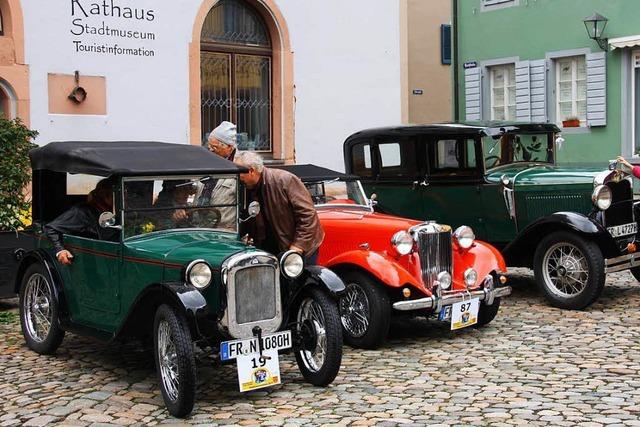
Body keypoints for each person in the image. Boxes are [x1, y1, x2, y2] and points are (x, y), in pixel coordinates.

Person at [234, 151, 324, 263]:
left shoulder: (285, 180)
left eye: (239, 174)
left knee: (300, 278)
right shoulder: (245, 188)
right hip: (269, 246)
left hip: (298, 245)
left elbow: (308, 216)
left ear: (251, 171)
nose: (237, 177)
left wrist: (297, 247)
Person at [44, 177, 119, 266]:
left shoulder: (117, 212)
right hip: (92, 262)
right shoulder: (82, 212)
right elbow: (51, 228)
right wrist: (60, 250)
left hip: (111, 257)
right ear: (105, 196)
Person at [199, 121, 239, 229]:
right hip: (202, 226)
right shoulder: (207, 162)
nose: (211, 150)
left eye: (215, 147)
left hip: (226, 230)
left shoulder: (239, 166)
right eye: (209, 146)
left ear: (229, 147)